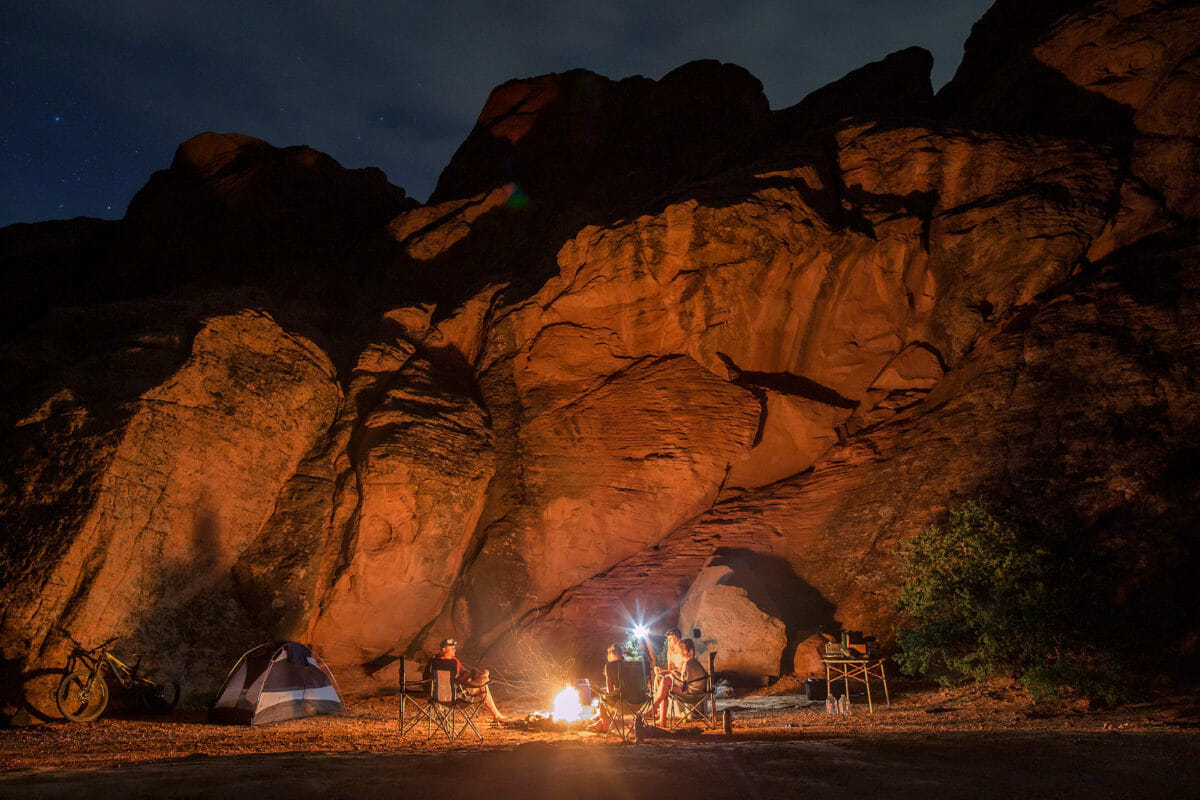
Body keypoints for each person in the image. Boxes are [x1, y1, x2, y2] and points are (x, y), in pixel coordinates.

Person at [425, 637, 507, 721]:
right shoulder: (447, 662)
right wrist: (466, 678)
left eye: (455, 648)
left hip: (445, 691)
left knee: (484, 674)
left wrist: (470, 675)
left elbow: (464, 672)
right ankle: (496, 715)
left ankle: (481, 680)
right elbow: (452, 679)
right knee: (484, 687)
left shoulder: (441, 661)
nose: (455, 650)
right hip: (456, 692)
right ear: (444, 649)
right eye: (452, 648)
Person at [657, 637, 707, 727]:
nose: (676, 653)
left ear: (685, 652)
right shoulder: (692, 662)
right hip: (694, 690)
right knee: (665, 687)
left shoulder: (688, 663)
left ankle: (654, 709)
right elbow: (683, 679)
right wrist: (672, 673)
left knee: (665, 681)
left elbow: (683, 684)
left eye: (678, 651)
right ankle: (661, 718)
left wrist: (671, 675)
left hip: (692, 693)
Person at [649, 627, 683, 721]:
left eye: (670, 639)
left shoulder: (682, 649)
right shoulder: (670, 651)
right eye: (668, 639)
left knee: (661, 679)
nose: (669, 641)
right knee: (659, 677)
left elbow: (681, 669)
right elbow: (670, 669)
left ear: (676, 638)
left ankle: (657, 711)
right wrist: (661, 670)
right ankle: (660, 713)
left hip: (681, 678)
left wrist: (665, 672)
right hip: (672, 675)